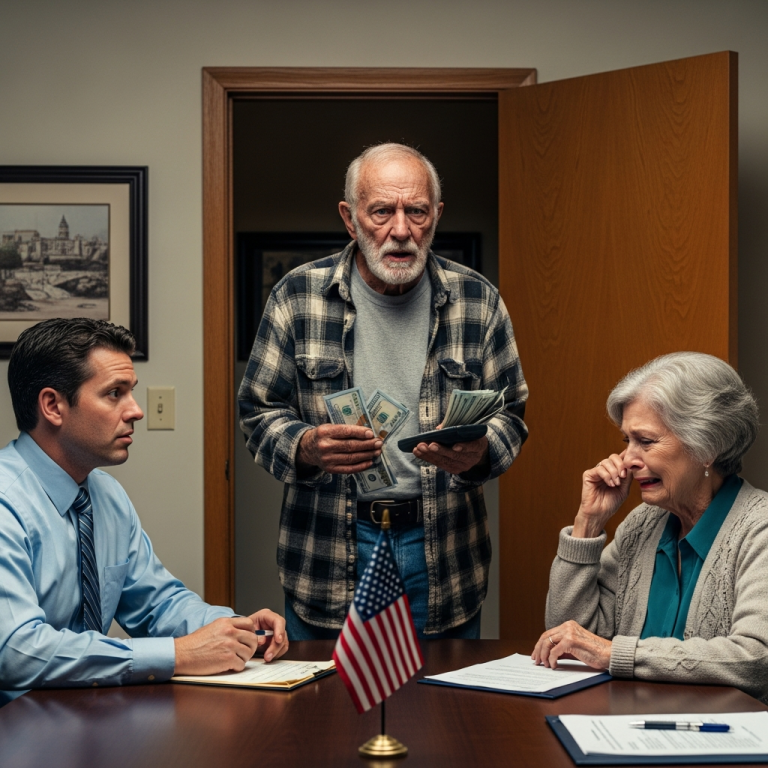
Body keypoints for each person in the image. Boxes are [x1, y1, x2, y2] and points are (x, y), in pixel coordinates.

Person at [239, 143, 528, 640]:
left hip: (442, 549)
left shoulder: (478, 300)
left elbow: (513, 414)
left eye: (415, 211)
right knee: (326, 708)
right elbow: (257, 413)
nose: (400, 230)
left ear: (435, 215)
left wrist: (482, 453)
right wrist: (306, 446)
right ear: (350, 219)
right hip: (328, 547)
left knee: (439, 711)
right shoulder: (296, 295)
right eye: (381, 212)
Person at [0, 318, 288, 707]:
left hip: (87, 715)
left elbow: (157, 603)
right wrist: (180, 655)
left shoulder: (106, 495)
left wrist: (231, 630)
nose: (136, 411)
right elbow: (17, 653)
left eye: (131, 392)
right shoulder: (5, 501)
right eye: (114, 394)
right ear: (53, 405)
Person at [532, 352, 768, 703]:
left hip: (720, 741)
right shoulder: (641, 525)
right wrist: (588, 523)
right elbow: (573, 637)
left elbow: (754, 658)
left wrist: (616, 655)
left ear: (708, 446)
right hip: (630, 726)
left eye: (645, 441)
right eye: (626, 441)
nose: (627, 459)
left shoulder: (758, 529)